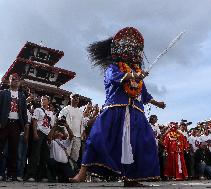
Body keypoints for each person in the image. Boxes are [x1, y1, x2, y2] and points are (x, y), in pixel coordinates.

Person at [70, 27, 166, 187]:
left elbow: (145, 94)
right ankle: (81, 173)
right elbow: (117, 78)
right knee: (97, 139)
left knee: (140, 144)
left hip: (136, 113)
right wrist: (135, 75)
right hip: (114, 110)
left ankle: (131, 179)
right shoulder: (113, 68)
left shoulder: (137, 72)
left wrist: (158, 103)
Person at [0, 73, 28, 181]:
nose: (15, 81)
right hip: (4, 123)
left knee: (14, 150)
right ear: (9, 81)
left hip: (16, 124)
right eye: (13, 79)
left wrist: (24, 126)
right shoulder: (3, 93)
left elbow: (24, 112)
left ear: (20, 82)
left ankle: (11, 174)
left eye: (17, 79)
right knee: (0, 148)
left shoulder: (22, 96)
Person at [25, 95, 55, 182]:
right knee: (35, 154)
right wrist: (34, 133)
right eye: (42, 99)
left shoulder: (51, 113)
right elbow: (34, 121)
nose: (43, 101)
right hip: (39, 132)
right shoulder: (38, 110)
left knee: (45, 155)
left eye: (45, 99)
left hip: (47, 134)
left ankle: (42, 175)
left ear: (48, 102)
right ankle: (31, 175)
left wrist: (50, 136)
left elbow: (52, 126)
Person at [58, 94, 85, 164]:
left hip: (78, 137)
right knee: (66, 154)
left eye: (77, 98)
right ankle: (62, 172)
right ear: (70, 98)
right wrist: (64, 132)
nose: (76, 99)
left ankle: (71, 172)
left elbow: (82, 124)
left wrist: (82, 133)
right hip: (68, 135)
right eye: (74, 97)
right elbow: (60, 120)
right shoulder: (66, 109)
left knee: (75, 157)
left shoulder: (80, 111)